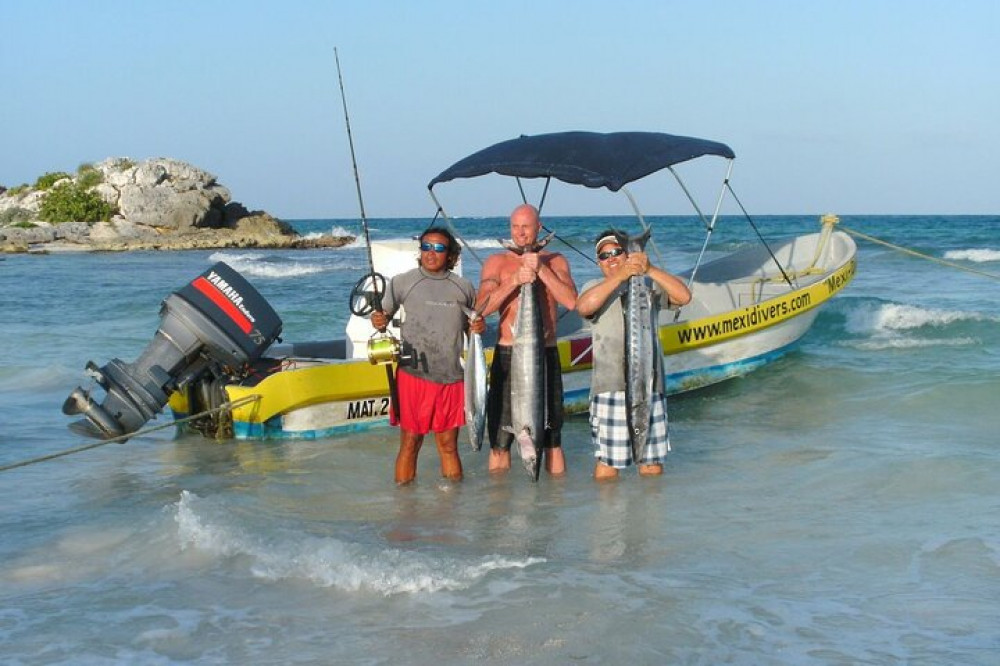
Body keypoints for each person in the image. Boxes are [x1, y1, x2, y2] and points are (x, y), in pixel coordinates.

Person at [371, 227, 485, 485]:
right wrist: (378, 319)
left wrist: (478, 327)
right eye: (426, 247)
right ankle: (404, 508)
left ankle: (452, 510)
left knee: (448, 445)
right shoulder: (402, 282)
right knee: (411, 442)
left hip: (452, 377)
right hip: (413, 375)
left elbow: (473, 328)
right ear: (420, 250)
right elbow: (382, 319)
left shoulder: (463, 287)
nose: (431, 253)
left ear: (451, 255)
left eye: (439, 248)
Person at [575, 230, 692, 480]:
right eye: (605, 256)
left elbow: (684, 296)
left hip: (650, 387)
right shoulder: (595, 287)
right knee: (608, 465)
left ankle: (649, 515)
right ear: (599, 262)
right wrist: (620, 276)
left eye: (617, 252)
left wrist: (649, 269)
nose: (612, 258)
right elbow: (583, 306)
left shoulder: (649, 283)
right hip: (609, 388)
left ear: (627, 253)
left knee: (651, 464)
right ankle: (611, 519)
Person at [476, 204, 578, 475]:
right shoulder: (496, 262)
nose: (520, 234)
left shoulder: (556, 260)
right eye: (515, 227)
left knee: (553, 436)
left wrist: (541, 270)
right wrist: (513, 281)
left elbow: (571, 301)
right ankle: (498, 506)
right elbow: (482, 308)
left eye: (526, 227)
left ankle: (553, 506)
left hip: (545, 354)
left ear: (539, 228)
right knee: (500, 439)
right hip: (509, 356)